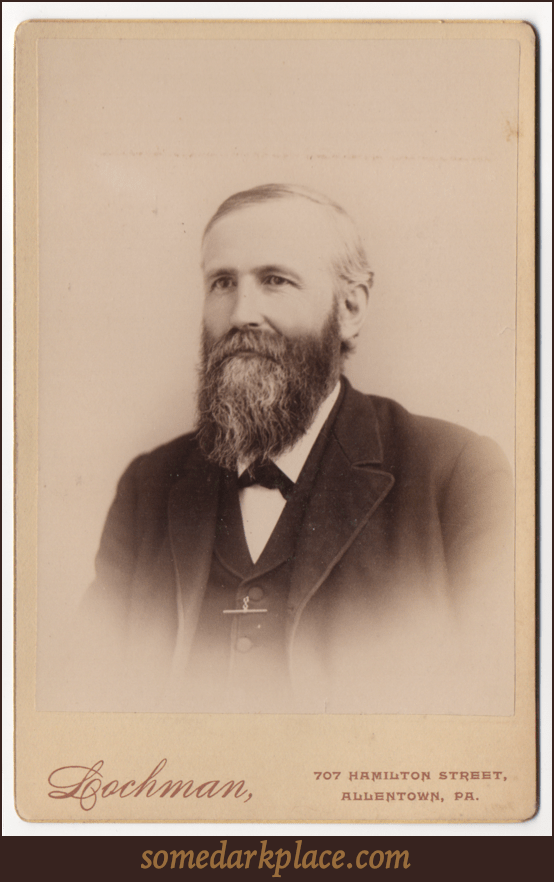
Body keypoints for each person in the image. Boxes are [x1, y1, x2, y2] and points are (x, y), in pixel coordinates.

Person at [78, 184, 514, 715]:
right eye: (222, 283)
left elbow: (492, 705)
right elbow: (89, 694)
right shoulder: (148, 485)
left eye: (275, 281)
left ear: (349, 308)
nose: (242, 313)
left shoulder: (457, 475)